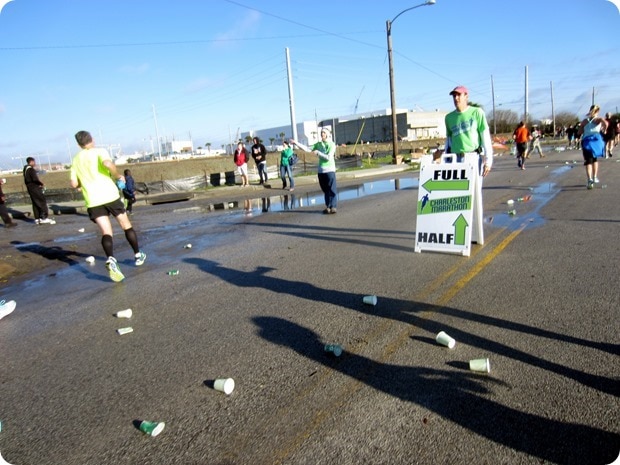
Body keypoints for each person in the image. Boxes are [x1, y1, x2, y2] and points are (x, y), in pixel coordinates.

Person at [70, 130, 146, 282]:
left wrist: (81, 184)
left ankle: (111, 259)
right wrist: (117, 175)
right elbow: (106, 163)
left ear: (78, 144)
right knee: (126, 225)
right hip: (109, 195)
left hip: (92, 200)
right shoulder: (99, 151)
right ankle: (138, 255)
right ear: (92, 139)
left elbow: (73, 183)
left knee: (106, 232)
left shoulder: (76, 159)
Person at [443, 85, 493, 177]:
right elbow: (449, 141)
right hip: (456, 159)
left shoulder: (477, 112)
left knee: (474, 190)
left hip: (473, 157)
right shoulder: (449, 118)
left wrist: (488, 161)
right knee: (457, 190)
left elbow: (485, 136)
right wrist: (446, 160)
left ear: (466, 96)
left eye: (459, 95)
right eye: (454, 96)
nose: (456, 98)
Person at [290, 128, 338, 214]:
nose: (322, 134)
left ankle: (333, 206)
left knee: (332, 189)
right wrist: (296, 143)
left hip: (330, 170)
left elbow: (328, 157)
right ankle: (328, 206)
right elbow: (308, 149)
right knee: (325, 190)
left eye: (323, 132)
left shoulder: (332, 144)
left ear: (327, 134)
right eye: (321, 132)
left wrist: (318, 153)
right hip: (321, 171)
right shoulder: (318, 144)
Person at [578, 105, 608, 189]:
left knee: (588, 161)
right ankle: (594, 177)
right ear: (597, 111)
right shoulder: (597, 119)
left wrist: (584, 131)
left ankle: (589, 179)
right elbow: (605, 123)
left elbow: (579, 131)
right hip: (595, 141)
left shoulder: (585, 121)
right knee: (594, 159)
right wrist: (604, 129)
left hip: (586, 141)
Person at [23, 157, 55, 224]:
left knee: (35, 203)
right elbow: (35, 179)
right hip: (35, 188)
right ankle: (44, 217)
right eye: (34, 162)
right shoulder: (31, 169)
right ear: (31, 162)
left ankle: (37, 218)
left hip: (30, 188)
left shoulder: (25, 169)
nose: (35, 163)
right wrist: (41, 184)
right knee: (41, 201)